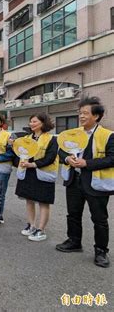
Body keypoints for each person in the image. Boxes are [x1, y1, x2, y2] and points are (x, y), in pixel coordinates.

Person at [56, 97, 113, 268]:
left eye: (85, 113)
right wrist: (67, 159)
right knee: (73, 214)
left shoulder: (108, 135)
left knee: (99, 219)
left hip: (96, 182)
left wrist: (87, 163)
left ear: (96, 116)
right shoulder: (73, 133)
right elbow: (60, 151)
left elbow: (112, 158)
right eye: (80, 113)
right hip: (74, 180)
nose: (81, 116)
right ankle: (74, 241)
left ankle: (101, 251)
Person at [14, 114, 58, 242]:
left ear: (43, 123)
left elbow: (50, 157)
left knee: (43, 202)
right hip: (28, 173)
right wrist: (20, 161)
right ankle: (31, 225)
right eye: (30, 122)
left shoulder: (52, 139)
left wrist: (33, 164)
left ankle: (41, 229)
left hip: (43, 173)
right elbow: (18, 154)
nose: (31, 124)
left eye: (34, 121)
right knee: (29, 200)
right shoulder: (26, 138)